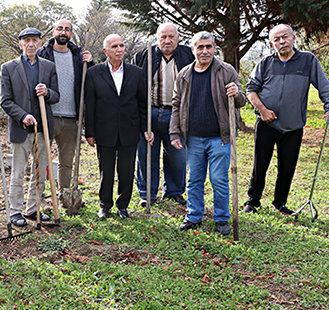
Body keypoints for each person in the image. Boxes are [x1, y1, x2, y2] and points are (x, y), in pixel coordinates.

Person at [243, 24, 329, 215]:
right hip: (266, 124)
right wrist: (263, 110)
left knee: (287, 166)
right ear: (272, 43)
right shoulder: (265, 63)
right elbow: (251, 90)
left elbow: (324, 87)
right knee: (260, 165)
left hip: (293, 126)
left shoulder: (308, 61)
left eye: (285, 37)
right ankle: (252, 202)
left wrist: (328, 106)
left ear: (293, 38)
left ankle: (280, 203)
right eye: (277, 39)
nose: (282, 42)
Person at [169, 31, 246, 236]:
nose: (205, 51)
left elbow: (241, 100)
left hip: (219, 137)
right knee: (194, 179)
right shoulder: (184, 74)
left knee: (219, 179)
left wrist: (236, 94)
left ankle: (221, 218)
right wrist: (175, 132)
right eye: (200, 47)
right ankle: (194, 216)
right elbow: (176, 104)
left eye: (208, 47)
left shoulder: (226, 70)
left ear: (214, 48)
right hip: (193, 138)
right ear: (192, 49)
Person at [84, 34, 149, 220]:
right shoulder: (94, 73)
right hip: (105, 130)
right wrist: (90, 132)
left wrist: (145, 127)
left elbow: (142, 103)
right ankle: (105, 205)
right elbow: (90, 105)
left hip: (129, 129)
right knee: (106, 170)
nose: (119, 49)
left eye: (121, 45)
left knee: (127, 170)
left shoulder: (136, 72)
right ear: (106, 51)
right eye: (114, 46)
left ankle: (123, 206)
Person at [0, 27, 60, 227]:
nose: (31, 44)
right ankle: (15, 211)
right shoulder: (8, 68)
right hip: (21, 129)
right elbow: (5, 101)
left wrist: (48, 92)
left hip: (43, 128)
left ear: (40, 43)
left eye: (34, 40)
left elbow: (56, 95)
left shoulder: (49, 67)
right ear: (20, 44)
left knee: (40, 172)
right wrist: (23, 116)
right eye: (27, 41)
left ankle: (33, 209)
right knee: (18, 172)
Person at [133, 23, 194, 207]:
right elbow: (136, 91)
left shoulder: (188, 55)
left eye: (171, 36)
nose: (167, 41)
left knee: (177, 156)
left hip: (176, 114)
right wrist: (143, 124)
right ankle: (147, 194)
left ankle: (174, 192)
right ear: (157, 38)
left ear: (178, 36)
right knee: (146, 155)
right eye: (163, 37)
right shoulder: (144, 56)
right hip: (149, 112)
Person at [36, 19, 94, 200]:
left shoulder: (78, 56)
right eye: (59, 28)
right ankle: (37, 197)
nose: (63, 32)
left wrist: (90, 63)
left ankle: (64, 196)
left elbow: (89, 80)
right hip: (48, 115)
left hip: (71, 118)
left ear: (71, 33)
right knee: (41, 159)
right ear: (53, 31)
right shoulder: (42, 54)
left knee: (66, 162)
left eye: (67, 29)